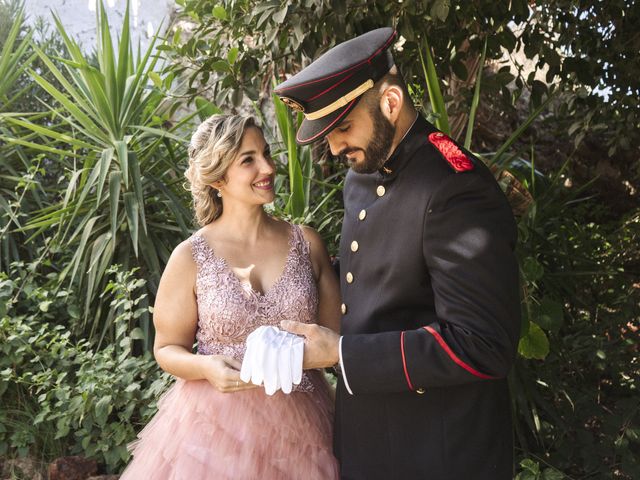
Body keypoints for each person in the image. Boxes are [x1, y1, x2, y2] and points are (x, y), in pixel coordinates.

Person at [275, 27, 522, 479]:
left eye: (344, 126)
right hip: (369, 437)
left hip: (438, 451)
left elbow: (483, 344)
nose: (333, 147)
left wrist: (342, 354)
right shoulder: (361, 174)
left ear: (390, 102)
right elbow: (377, 278)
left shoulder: (456, 188)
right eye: (329, 132)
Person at [120, 114, 341, 479]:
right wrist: (207, 367)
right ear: (218, 176)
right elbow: (166, 348)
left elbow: (335, 339)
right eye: (249, 159)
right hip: (213, 429)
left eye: (266, 153)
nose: (268, 167)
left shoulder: (308, 242)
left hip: (306, 429)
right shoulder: (190, 256)